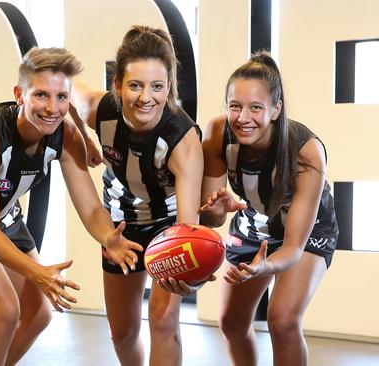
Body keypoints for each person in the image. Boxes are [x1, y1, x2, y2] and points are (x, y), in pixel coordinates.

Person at [0, 47, 142, 366]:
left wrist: (108, 237)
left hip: (4, 215)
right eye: (41, 95)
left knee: (38, 314)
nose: (52, 108)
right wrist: (39, 272)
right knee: (5, 312)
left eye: (61, 97)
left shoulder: (64, 135)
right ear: (19, 94)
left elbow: (91, 207)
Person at [71, 25, 204, 366]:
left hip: (168, 227)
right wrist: (83, 138)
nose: (147, 97)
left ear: (169, 87)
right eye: (135, 85)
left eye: (157, 86)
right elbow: (63, 81)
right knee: (123, 334)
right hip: (119, 228)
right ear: (117, 84)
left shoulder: (182, 140)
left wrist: (188, 271)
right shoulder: (100, 111)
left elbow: (187, 229)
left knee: (162, 320)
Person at [198, 51, 339, 366]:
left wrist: (266, 267)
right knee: (231, 323)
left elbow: (292, 248)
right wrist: (220, 209)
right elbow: (212, 219)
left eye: (255, 108)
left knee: (282, 320)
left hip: (305, 232)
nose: (243, 118)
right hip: (252, 224)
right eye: (235, 106)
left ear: (276, 110)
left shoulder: (306, 152)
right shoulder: (217, 134)